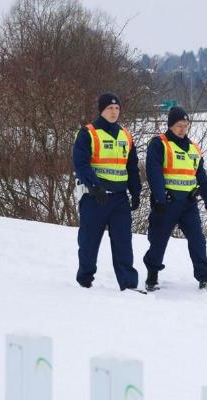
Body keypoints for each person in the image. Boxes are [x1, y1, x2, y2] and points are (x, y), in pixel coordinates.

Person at [143, 106, 207, 293]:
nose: (183, 129)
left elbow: (200, 174)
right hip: (167, 203)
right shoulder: (159, 144)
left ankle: (205, 277)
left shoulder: (194, 148)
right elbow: (154, 173)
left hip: (188, 203)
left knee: (197, 240)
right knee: (158, 241)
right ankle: (152, 276)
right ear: (170, 125)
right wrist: (160, 199)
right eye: (179, 125)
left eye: (186, 125)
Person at [72, 93, 143, 293]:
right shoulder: (88, 133)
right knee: (88, 242)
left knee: (123, 242)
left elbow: (132, 167)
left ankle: (128, 285)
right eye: (110, 108)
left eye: (117, 108)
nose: (114, 112)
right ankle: (84, 281)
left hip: (119, 199)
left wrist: (136, 192)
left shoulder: (126, 135)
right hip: (95, 198)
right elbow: (81, 165)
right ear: (101, 110)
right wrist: (95, 187)